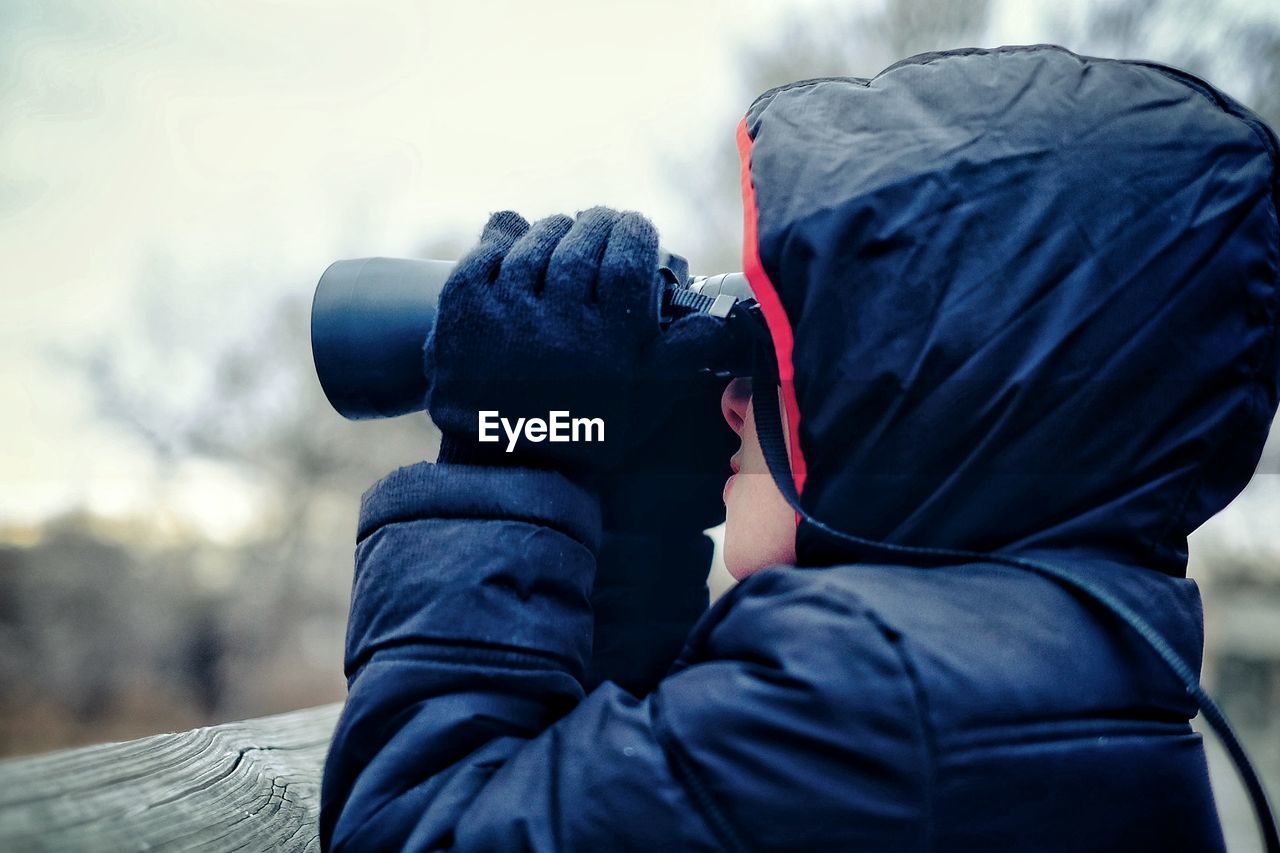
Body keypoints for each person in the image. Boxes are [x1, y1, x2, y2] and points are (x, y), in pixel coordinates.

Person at [320, 45, 1280, 851]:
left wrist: (512, 444)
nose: (734, 404)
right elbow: (627, 784)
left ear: (923, 398)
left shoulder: (862, 694)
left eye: (781, 363)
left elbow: (417, 829)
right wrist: (633, 513)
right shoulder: (1060, 652)